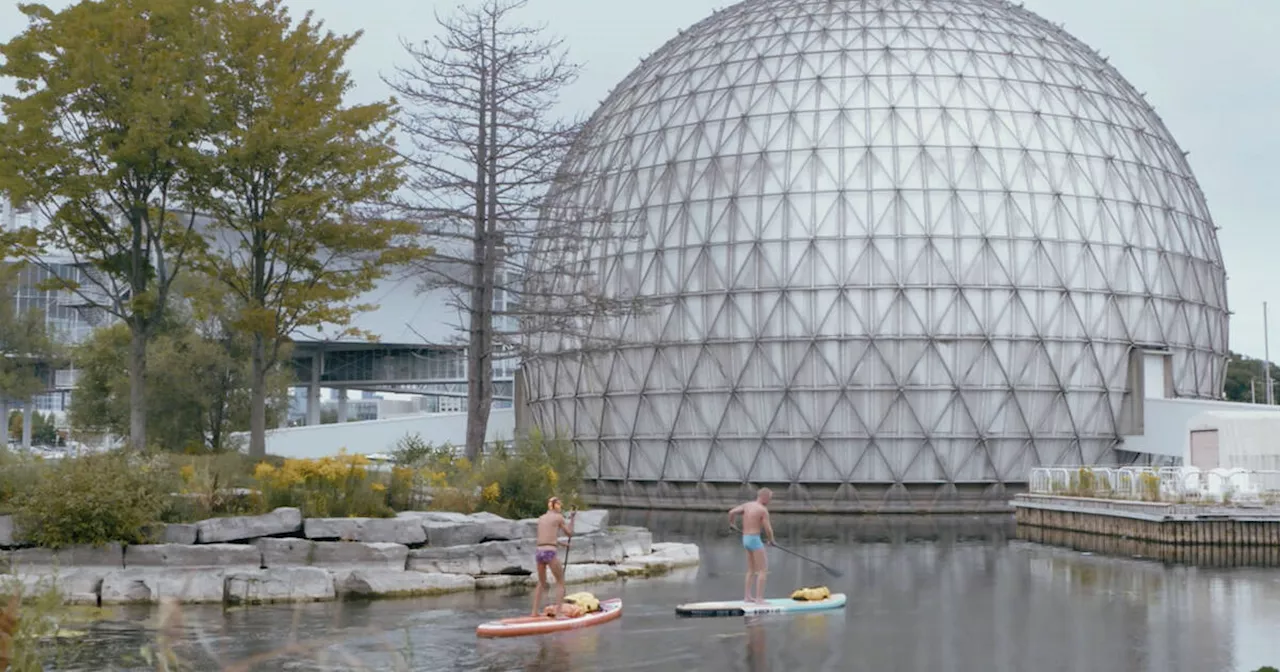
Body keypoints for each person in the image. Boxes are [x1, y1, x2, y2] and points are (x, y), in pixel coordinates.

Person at [531, 496, 576, 617]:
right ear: (555, 506)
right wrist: (572, 518)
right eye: (560, 505)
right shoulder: (558, 517)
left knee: (541, 582)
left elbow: (547, 538)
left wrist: (562, 544)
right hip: (550, 553)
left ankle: (534, 612)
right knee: (560, 582)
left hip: (539, 552)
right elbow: (570, 533)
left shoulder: (541, 518)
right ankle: (559, 614)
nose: (560, 507)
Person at [729, 487, 774, 603]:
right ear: (764, 497)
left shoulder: (747, 505)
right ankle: (759, 598)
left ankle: (747, 597)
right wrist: (771, 540)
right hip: (754, 539)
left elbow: (731, 512)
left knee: (751, 570)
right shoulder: (762, 510)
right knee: (763, 570)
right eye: (769, 498)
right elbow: (768, 529)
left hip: (745, 538)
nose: (770, 501)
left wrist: (732, 523)